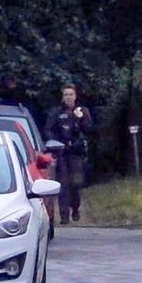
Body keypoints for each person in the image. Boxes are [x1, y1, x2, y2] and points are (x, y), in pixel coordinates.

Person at [45, 83, 93, 223]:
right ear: (62, 96)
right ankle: (64, 215)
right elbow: (48, 130)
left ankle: (75, 208)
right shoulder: (56, 113)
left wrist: (80, 119)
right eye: (66, 95)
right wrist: (54, 143)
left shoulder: (82, 111)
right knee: (63, 183)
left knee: (76, 183)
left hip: (77, 153)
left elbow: (89, 130)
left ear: (75, 96)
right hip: (62, 153)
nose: (68, 97)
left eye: (71, 94)